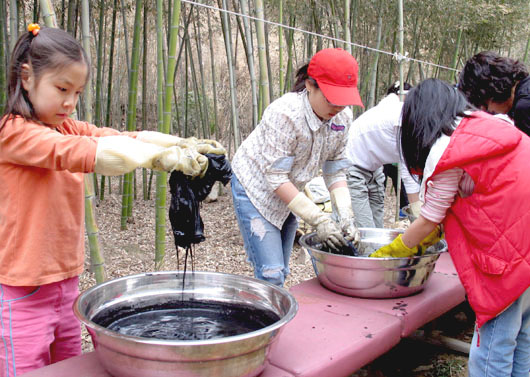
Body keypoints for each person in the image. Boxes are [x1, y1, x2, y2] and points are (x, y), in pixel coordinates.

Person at [0, 24, 224, 375]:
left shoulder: (68, 126)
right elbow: (89, 153)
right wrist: (158, 159)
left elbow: (121, 137)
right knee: (26, 370)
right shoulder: (13, 133)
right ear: (26, 77)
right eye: (61, 89)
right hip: (22, 290)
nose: (70, 103)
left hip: (66, 283)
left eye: (77, 92)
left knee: (71, 366)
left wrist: (180, 143)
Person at [372, 78, 530, 376]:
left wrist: (386, 255)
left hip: (509, 257)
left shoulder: (449, 149)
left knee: (492, 348)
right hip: (525, 246)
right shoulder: (489, 125)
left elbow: (429, 221)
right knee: (521, 339)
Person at [231, 48, 363, 286]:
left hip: (291, 189)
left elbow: (335, 169)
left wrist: (345, 213)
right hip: (255, 188)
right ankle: (267, 320)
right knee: (271, 272)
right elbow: (275, 178)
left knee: (281, 269)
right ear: (310, 85)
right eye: (332, 98)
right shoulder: (285, 113)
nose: (338, 107)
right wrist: (319, 220)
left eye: (344, 101)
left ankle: (274, 307)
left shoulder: (343, 119)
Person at [345, 81, 420, 228]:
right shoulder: (400, 115)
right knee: (365, 230)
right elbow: (409, 176)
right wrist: (418, 219)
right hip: (353, 167)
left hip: (376, 169)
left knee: (377, 229)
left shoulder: (401, 112)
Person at [458, 51, 529, 130]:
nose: (487, 112)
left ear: (492, 92)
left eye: (485, 105)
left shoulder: (524, 107)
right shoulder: (523, 92)